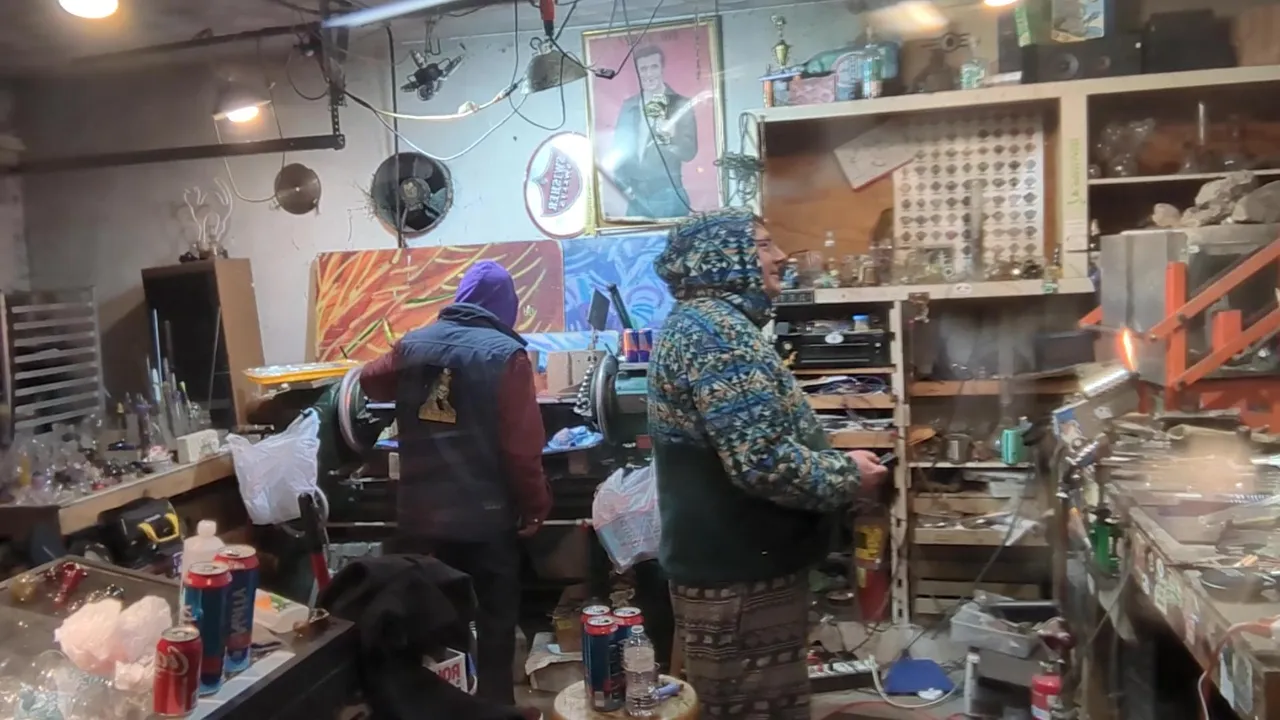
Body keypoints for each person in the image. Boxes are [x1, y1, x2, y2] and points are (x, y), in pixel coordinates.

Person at [647, 209, 888, 719]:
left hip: (734, 573)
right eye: (762, 245)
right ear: (720, 258)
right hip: (740, 582)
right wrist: (849, 476)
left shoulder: (704, 325)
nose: (779, 257)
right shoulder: (717, 335)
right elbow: (763, 463)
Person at [360, 260, 551, 711]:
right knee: (495, 623)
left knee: (432, 623)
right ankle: (495, 709)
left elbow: (369, 382)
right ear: (506, 306)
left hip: (421, 520)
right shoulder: (507, 356)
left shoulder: (413, 344)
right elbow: (521, 450)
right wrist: (535, 504)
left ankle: (436, 710)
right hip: (485, 521)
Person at [607, 44, 698, 219]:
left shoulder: (679, 104)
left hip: (668, 194)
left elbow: (689, 153)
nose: (649, 74)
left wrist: (671, 136)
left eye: (654, 67)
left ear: (662, 68)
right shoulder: (629, 105)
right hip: (637, 198)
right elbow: (619, 148)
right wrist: (624, 187)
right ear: (638, 73)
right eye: (643, 69)